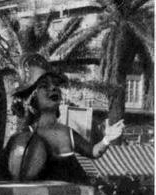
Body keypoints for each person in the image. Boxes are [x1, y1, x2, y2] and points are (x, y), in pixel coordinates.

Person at [9, 53, 124, 183]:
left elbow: (93, 151)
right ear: (31, 98)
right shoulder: (25, 136)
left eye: (55, 85)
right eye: (44, 86)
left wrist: (107, 139)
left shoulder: (66, 133)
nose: (53, 88)